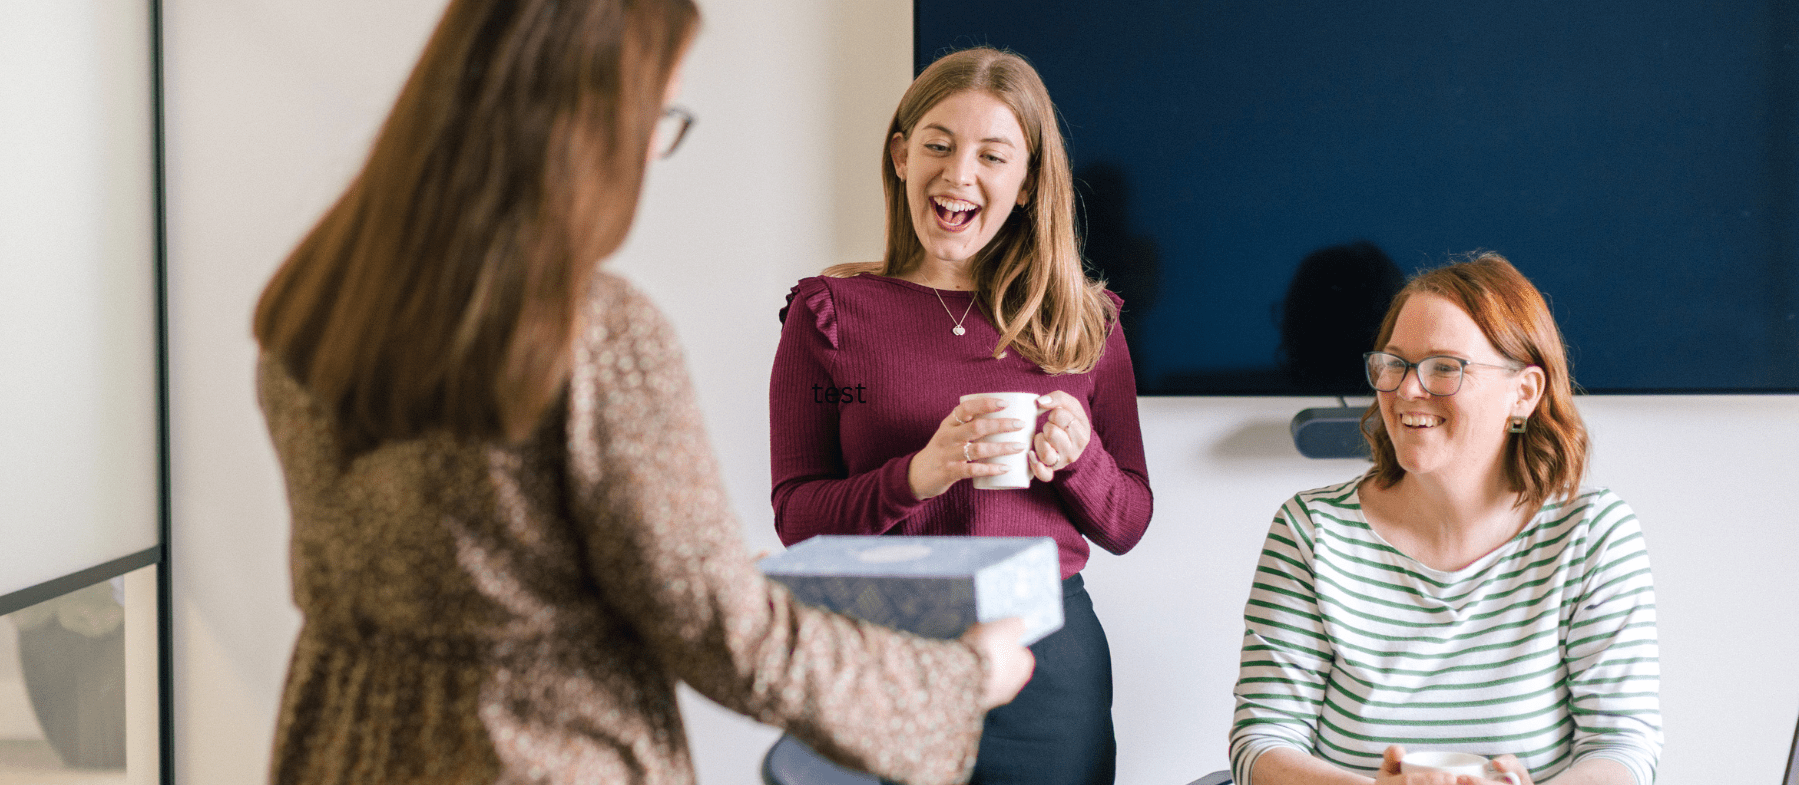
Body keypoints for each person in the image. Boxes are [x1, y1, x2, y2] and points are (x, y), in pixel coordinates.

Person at [251, 2, 1034, 783]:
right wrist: (960, 680)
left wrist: (708, 567)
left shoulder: (321, 302)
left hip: (341, 748)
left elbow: (485, 558)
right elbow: (725, 632)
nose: (654, 154)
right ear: (585, 118)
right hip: (534, 755)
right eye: (658, 114)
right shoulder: (594, 330)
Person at [769, 47, 1153, 785]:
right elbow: (796, 519)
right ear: (901, 155)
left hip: (1047, 661)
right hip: (878, 654)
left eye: (992, 155)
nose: (958, 174)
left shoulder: (1086, 324)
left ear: (1028, 181)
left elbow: (1129, 522)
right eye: (938, 146)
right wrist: (918, 474)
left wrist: (1080, 462)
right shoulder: (828, 314)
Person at [1228, 253, 1662, 785]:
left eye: (1444, 367)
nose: (1408, 390)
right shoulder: (1311, 531)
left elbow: (1623, 749)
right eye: (1394, 364)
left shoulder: (1594, 535)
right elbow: (1260, 745)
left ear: (1523, 393)